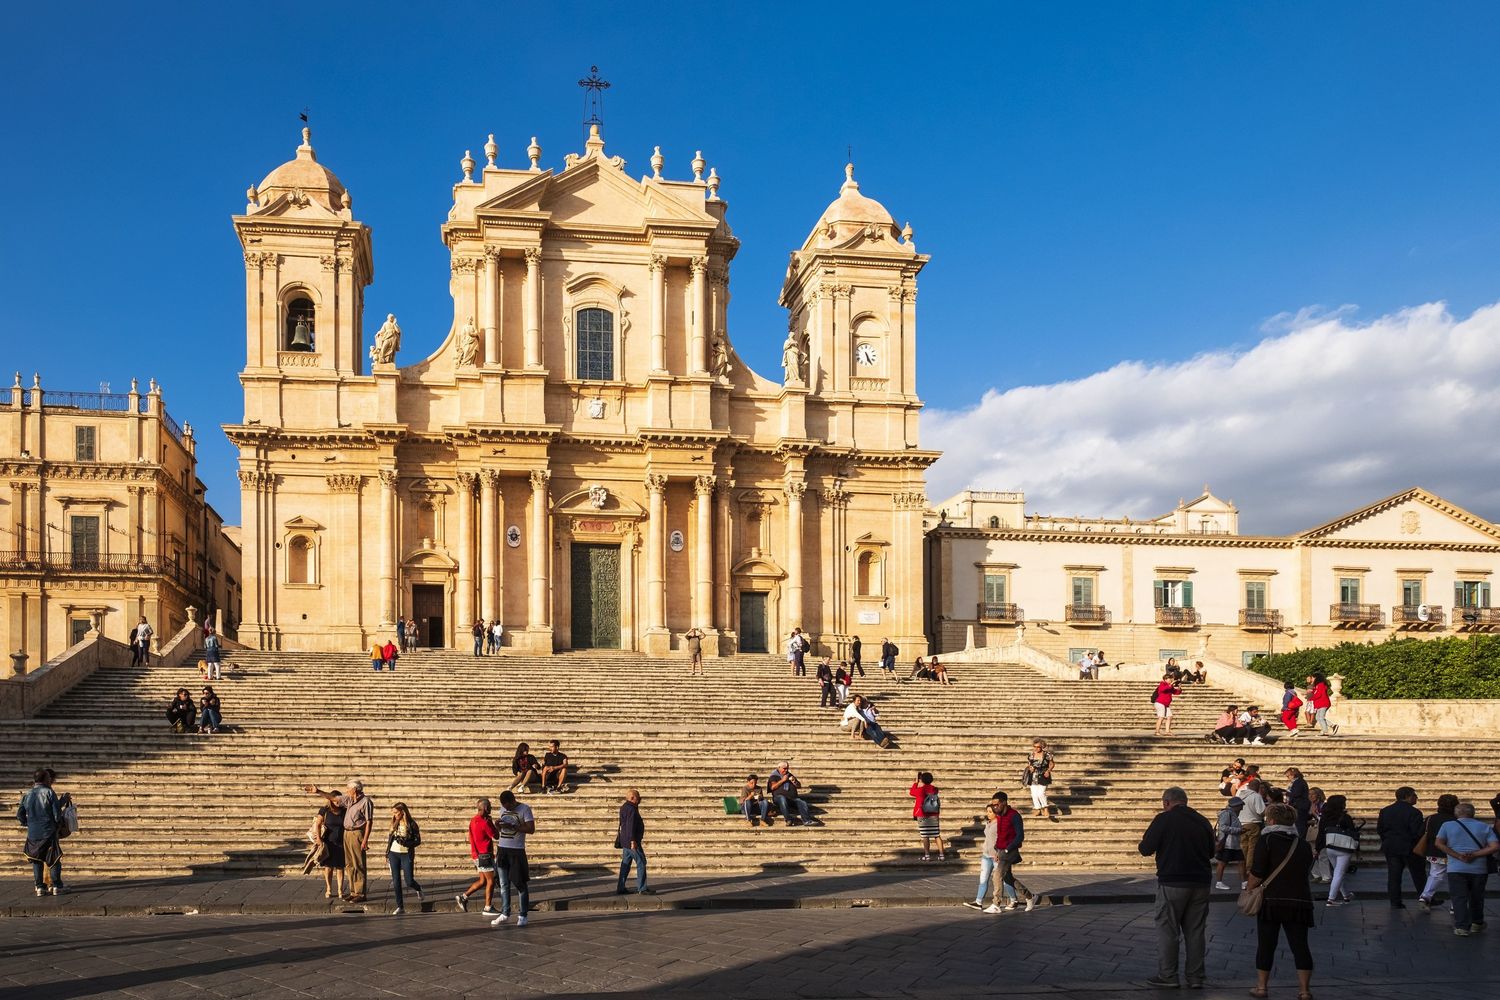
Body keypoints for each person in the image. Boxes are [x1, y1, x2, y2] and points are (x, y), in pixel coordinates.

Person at [1137, 786, 1215, 990]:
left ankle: (1168, 975)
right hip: (1201, 882)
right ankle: (1196, 977)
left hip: (1172, 881)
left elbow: (1145, 849)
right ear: (1185, 801)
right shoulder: (1202, 820)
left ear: (1167, 802)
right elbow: (1211, 851)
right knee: (1196, 931)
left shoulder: (1164, 819)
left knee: (1168, 929)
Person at [1247, 802, 1316, 1000]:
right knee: (1300, 945)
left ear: (1272, 820)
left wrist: (1249, 888)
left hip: (1271, 901)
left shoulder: (1267, 840)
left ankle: (1262, 987)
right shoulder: (1301, 844)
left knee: (1266, 944)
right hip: (1299, 901)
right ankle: (1304, 990)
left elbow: (1258, 872)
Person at [1436, 801, 1499, 936]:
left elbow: (1439, 843)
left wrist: (1457, 855)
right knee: (1477, 896)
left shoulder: (1447, 825)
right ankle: (1477, 922)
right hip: (1479, 868)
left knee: (1459, 897)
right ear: (1473, 813)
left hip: (1456, 867)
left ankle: (1462, 927)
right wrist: (1475, 854)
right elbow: (1494, 846)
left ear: (1456, 813)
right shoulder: (1483, 826)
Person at [306, 780, 373, 902]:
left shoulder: (365, 802)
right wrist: (318, 792)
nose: (347, 790)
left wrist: (365, 840)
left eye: (348, 788)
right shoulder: (349, 800)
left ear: (355, 789)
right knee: (349, 864)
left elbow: (369, 822)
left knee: (358, 863)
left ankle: (360, 893)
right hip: (346, 833)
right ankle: (353, 892)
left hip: (357, 833)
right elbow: (334, 798)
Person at [18, 768, 67, 895]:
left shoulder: (27, 794)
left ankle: (40, 887)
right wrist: (58, 824)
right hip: (48, 831)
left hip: (33, 833)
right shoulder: (49, 793)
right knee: (54, 859)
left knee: (36, 860)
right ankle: (57, 885)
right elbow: (56, 815)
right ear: (45, 779)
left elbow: (20, 814)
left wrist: (27, 823)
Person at [490, 790, 535, 927]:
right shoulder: (503, 808)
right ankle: (505, 912)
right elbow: (499, 831)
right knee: (503, 884)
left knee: (520, 884)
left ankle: (523, 914)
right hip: (502, 849)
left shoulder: (524, 809)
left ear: (513, 801)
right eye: (504, 806)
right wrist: (498, 825)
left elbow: (531, 829)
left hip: (516, 851)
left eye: (508, 806)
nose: (506, 808)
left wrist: (514, 826)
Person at [1377, 786, 1425, 908]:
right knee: (1418, 874)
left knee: (1394, 875)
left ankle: (1395, 901)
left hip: (1391, 846)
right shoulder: (1415, 812)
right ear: (1407, 797)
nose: (1416, 798)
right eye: (1414, 795)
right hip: (1409, 847)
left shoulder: (1385, 810)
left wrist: (1387, 839)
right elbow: (1416, 833)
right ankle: (1425, 897)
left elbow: (1380, 829)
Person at [457, 798, 499, 916]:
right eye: (490, 806)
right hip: (485, 855)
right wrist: (493, 824)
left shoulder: (473, 820)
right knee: (491, 880)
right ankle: (487, 907)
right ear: (485, 808)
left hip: (476, 854)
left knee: (482, 881)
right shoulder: (485, 822)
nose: (491, 808)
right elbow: (495, 836)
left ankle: (463, 897)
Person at [1317, 794, 1361, 905]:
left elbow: (1321, 833)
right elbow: (1353, 833)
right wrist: (1357, 850)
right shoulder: (1345, 817)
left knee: (1337, 871)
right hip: (1344, 848)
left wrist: (1318, 848)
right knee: (1339, 873)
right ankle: (1331, 899)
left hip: (1330, 846)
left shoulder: (1325, 817)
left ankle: (1346, 895)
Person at [1419, 793, 1459, 911]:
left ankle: (1425, 896)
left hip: (1435, 851)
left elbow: (1421, 832)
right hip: (1454, 852)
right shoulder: (1456, 820)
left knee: (1435, 874)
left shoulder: (1431, 818)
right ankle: (1455, 905)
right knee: (1456, 878)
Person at [385, 802, 423, 915]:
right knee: (396, 881)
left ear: (403, 812)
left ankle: (418, 889)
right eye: (393, 812)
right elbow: (389, 839)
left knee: (409, 880)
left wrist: (407, 843)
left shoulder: (411, 824)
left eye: (396, 812)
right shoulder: (393, 822)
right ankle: (400, 906)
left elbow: (418, 840)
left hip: (406, 853)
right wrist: (387, 853)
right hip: (393, 853)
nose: (395, 815)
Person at [616, 789, 654, 894]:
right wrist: (633, 840)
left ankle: (621, 887)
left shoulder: (624, 807)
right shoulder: (632, 809)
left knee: (625, 864)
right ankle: (642, 888)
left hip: (625, 841)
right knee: (641, 862)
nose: (640, 800)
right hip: (632, 842)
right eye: (638, 797)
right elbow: (630, 825)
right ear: (633, 798)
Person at [309, 796, 345, 899]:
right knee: (328, 867)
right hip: (328, 842)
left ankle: (340, 890)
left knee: (340, 867)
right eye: (336, 800)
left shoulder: (344, 810)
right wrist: (319, 839)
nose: (338, 802)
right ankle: (329, 889)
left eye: (340, 800)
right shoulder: (324, 810)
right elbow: (318, 824)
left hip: (341, 842)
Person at [909, 771, 945, 861]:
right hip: (934, 814)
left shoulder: (921, 790)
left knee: (925, 835)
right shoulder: (935, 789)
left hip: (923, 815)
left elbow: (911, 792)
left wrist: (916, 782)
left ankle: (927, 855)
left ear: (922, 780)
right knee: (937, 835)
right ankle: (941, 855)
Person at [1213, 795, 1246, 890]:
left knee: (1241, 861)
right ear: (1236, 806)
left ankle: (1244, 882)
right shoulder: (1227, 814)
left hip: (1234, 843)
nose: (1242, 808)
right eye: (1240, 806)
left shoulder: (1232, 814)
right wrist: (1238, 830)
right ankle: (1219, 882)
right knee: (1223, 862)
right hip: (1227, 843)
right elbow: (1223, 827)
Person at [1239, 778, 1268, 868]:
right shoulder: (1256, 796)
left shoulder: (1240, 795)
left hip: (1241, 823)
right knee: (1252, 848)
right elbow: (1261, 811)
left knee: (1243, 847)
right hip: (1253, 824)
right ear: (1258, 787)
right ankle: (1249, 868)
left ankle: (1242, 867)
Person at [1025, 739, 1054, 818]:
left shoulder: (1047, 754)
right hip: (1033, 776)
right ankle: (1037, 808)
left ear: (1042, 747)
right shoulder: (1031, 754)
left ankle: (1045, 808)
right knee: (1034, 794)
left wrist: (1048, 771)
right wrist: (1030, 767)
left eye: (1038, 747)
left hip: (1043, 775)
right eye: (1034, 746)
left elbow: (1052, 764)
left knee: (1041, 793)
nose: (1036, 748)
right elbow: (1029, 764)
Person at [1284, 767, 1311, 837]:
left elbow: (1296, 793)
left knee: (1300, 826)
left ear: (1293, 775)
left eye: (1288, 776)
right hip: (1298, 806)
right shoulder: (1298, 782)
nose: (1288, 778)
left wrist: (1285, 793)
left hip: (1300, 807)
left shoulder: (1299, 782)